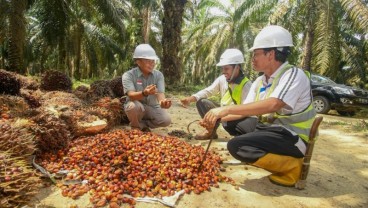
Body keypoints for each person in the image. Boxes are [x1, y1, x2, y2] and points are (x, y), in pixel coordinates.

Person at [202, 25, 316, 186]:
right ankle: (263, 153)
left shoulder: (293, 74)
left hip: (292, 137)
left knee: (237, 146)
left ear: (271, 54)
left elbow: (274, 104)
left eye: (256, 54)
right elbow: (244, 111)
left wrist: (226, 108)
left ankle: (292, 166)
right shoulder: (260, 80)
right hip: (270, 130)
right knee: (228, 121)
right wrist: (218, 118)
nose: (252, 59)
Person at [180, 49, 257, 140]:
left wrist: (219, 118)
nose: (223, 71)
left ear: (237, 67)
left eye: (226, 68)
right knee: (202, 102)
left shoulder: (246, 85)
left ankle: (243, 137)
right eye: (222, 68)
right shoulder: (222, 79)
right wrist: (190, 99)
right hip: (223, 114)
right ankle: (211, 132)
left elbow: (245, 112)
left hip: (237, 117)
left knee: (244, 126)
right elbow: (208, 91)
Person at [122, 44, 172, 131]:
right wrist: (144, 93)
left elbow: (160, 94)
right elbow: (131, 95)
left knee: (166, 120)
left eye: (153, 61)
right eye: (147, 61)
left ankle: (142, 125)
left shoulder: (158, 75)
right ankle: (135, 127)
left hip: (152, 107)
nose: (152, 64)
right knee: (133, 106)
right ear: (138, 62)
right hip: (136, 107)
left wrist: (163, 103)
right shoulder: (128, 75)